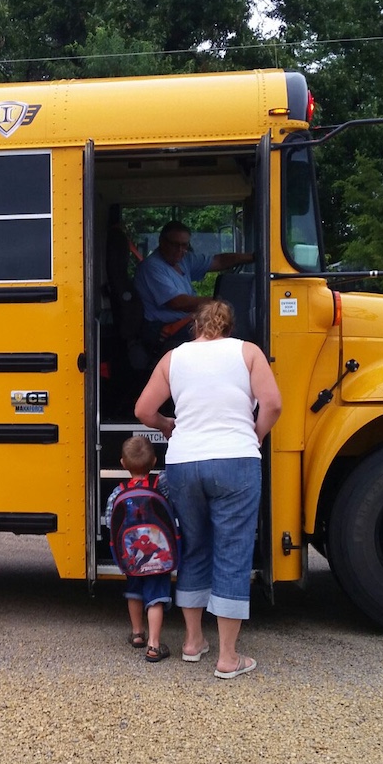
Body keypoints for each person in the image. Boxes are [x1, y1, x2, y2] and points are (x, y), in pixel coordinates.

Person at [134, 299, 281, 679]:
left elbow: (143, 410)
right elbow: (273, 404)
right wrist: (256, 433)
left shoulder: (173, 358)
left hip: (184, 463)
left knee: (195, 546)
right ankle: (228, 658)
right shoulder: (248, 352)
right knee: (232, 550)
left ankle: (192, 642)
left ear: (194, 327)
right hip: (235, 459)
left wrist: (169, 425)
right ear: (228, 327)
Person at [102, 435, 175, 663]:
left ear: (123, 464)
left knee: (134, 591)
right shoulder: (161, 484)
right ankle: (154, 644)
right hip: (158, 556)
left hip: (132, 556)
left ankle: (137, 633)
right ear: (154, 461)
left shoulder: (117, 492)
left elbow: (108, 521)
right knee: (156, 597)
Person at [133, 221, 253, 355]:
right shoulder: (152, 266)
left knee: (230, 324)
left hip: (184, 322)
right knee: (229, 329)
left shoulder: (183, 259)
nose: (180, 250)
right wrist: (219, 301)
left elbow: (218, 261)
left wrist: (253, 257)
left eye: (184, 245)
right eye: (174, 244)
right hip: (162, 328)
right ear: (162, 241)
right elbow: (178, 303)